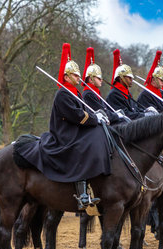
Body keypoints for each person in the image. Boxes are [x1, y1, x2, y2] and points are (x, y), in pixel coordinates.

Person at [18, 43, 106, 210]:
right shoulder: (63, 94)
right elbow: (77, 116)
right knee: (82, 148)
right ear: (66, 77)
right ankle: (81, 195)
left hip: (75, 130)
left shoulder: (75, 92)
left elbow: (85, 110)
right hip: (65, 134)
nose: (78, 78)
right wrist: (95, 119)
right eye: (74, 75)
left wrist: (97, 115)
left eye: (79, 75)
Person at [81, 47, 128, 125]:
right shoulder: (88, 94)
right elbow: (102, 112)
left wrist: (116, 113)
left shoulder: (95, 92)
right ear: (91, 79)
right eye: (99, 78)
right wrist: (116, 116)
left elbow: (106, 110)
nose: (101, 80)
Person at [106, 49, 154, 120]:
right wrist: (144, 115)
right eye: (129, 77)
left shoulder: (127, 93)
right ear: (121, 78)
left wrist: (145, 111)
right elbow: (126, 115)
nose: (131, 80)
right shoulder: (114, 94)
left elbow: (134, 110)